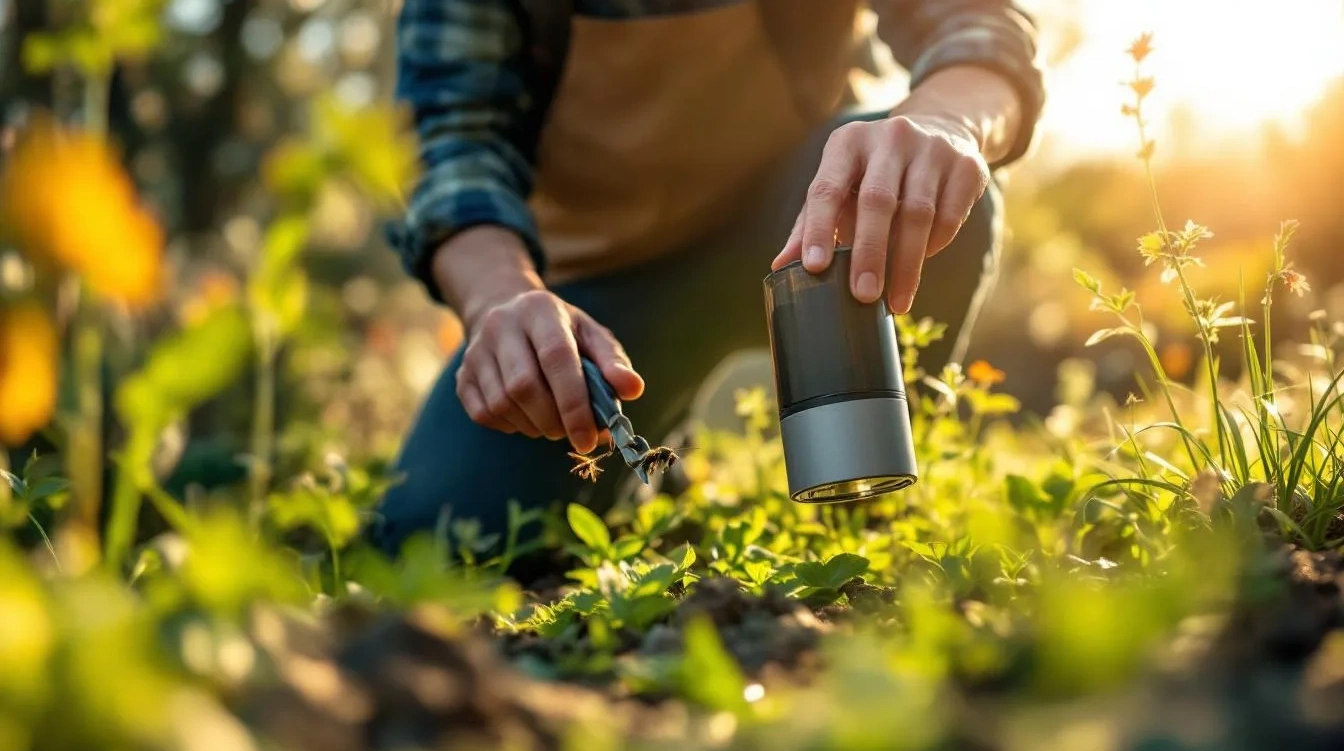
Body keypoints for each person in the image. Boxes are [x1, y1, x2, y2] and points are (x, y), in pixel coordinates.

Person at [370, 0, 1045, 563]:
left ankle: (865, 516)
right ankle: (660, 474)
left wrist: (945, 121)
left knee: (900, 190)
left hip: (801, 239)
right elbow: (456, 158)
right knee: (441, 542)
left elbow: (980, 25)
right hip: (591, 307)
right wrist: (502, 299)